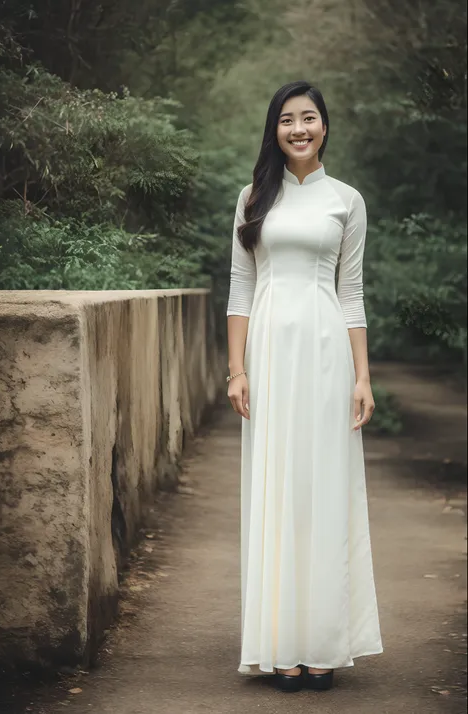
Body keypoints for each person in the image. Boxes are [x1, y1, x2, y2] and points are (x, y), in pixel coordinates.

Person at [226, 80, 383, 692]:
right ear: (275, 129)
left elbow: (351, 294)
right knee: (276, 488)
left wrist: (362, 376)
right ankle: (278, 645)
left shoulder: (347, 200)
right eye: (287, 119)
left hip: (324, 355)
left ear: (324, 127)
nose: (298, 128)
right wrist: (237, 369)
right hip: (267, 353)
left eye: (309, 118)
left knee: (322, 489)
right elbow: (240, 288)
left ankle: (320, 644)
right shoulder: (252, 198)